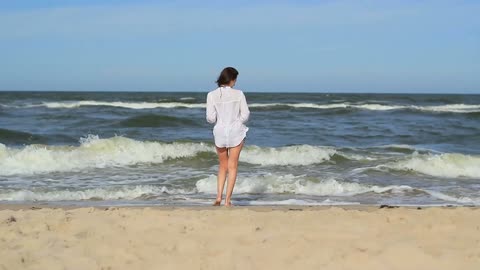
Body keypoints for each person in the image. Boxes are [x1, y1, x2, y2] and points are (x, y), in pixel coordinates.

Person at [206, 67, 250, 207]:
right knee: (233, 166)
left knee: (222, 166)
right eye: (235, 79)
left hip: (220, 132)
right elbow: (246, 115)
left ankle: (218, 197)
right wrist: (237, 122)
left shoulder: (211, 95)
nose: (235, 82)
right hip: (236, 132)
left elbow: (211, 118)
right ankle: (227, 201)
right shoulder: (239, 94)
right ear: (231, 79)